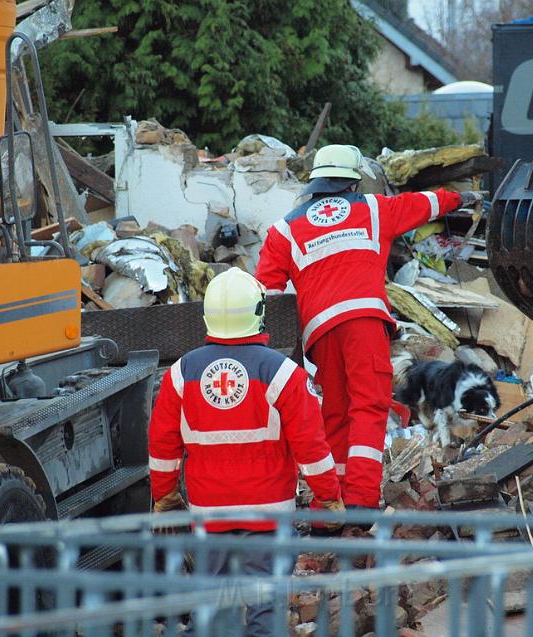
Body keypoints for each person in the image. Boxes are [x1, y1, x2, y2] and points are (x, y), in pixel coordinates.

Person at [255, 144, 484, 512]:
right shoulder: (375, 209)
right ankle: (360, 499)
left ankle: (330, 503)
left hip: (319, 332)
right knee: (369, 407)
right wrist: (463, 197)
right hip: (363, 320)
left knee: (334, 412)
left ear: (315, 182)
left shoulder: (284, 230)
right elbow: (425, 203)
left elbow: (265, 292)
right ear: (354, 181)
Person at [148, 267, 343, 636]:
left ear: (207, 316)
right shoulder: (283, 372)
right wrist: (329, 497)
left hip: (209, 513)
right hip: (268, 513)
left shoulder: (180, 373)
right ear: (259, 313)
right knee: (264, 609)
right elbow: (311, 445)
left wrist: (166, 494)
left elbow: (162, 444)